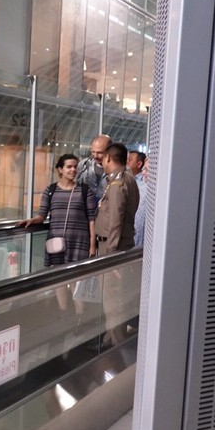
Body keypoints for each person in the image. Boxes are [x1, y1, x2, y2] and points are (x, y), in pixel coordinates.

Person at [18, 153, 96, 309]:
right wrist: (32, 221)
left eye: (75, 166)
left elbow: (91, 219)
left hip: (79, 240)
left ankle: (79, 315)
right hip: (57, 239)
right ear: (60, 169)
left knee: (75, 279)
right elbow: (42, 215)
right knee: (58, 279)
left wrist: (92, 244)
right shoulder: (51, 190)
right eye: (69, 167)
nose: (73, 170)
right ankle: (63, 311)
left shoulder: (84, 190)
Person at [94, 142, 140, 346]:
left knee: (113, 301)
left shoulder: (117, 184)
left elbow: (115, 221)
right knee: (115, 299)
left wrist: (110, 256)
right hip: (121, 244)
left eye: (102, 157)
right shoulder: (129, 179)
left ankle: (118, 347)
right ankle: (110, 338)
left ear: (109, 159)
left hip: (113, 247)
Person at [77, 134, 111, 205]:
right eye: (93, 151)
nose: (95, 156)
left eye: (99, 153)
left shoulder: (116, 170)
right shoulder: (84, 165)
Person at [128, 150, 147, 246]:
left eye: (130, 160)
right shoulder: (127, 180)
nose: (126, 162)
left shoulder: (145, 183)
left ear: (139, 164)